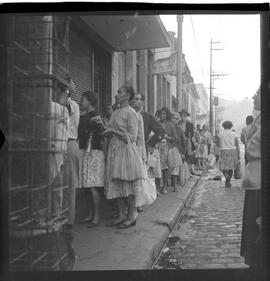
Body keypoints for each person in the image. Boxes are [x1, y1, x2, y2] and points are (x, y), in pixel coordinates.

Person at [104, 86, 144, 229]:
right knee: (116, 183)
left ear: (127, 96)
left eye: (120, 92)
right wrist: (105, 130)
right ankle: (121, 215)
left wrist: (113, 131)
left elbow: (132, 137)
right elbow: (110, 129)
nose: (117, 94)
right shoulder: (115, 112)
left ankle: (132, 215)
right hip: (114, 148)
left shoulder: (131, 113)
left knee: (126, 183)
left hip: (125, 150)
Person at [57, 76, 80, 264]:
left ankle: (69, 223)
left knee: (69, 187)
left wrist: (67, 90)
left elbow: (63, 108)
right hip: (57, 146)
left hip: (68, 144)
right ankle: (60, 221)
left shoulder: (71, 104)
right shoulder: (58, 101)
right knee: (58, 186)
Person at [241, 88, 261, 268]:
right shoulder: (259, 119)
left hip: (260, 182)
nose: (254, 96)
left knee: (257, 225)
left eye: (258, 93)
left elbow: (253, 149)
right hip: (255, 181)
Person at [78, 91, 105, 227]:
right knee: (86, 186)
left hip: (94, 152)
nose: (81, 102)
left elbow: (102, 134)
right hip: (84, 151)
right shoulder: (85, 117)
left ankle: (97, 216)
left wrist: (91, 125)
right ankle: (90, 213)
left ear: (89, 101)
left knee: (93, 186)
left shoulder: (96, 116)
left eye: (83, 100)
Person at [130, 93, 147, 212]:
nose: (135, 101)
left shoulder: (140, 117)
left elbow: (141, 137)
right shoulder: (129, 113)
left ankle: (138, 203)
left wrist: (143, 154)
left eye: (138, 99)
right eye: (134, 99)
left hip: (137, 149)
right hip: (126, 149)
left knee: (137, 178)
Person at [158, 107, 178, 194]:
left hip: (166, 147)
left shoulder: (170, 125)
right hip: (157, 146)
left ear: (167, 115)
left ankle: (165, 186)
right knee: (157, 167)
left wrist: (167, 137)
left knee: (165, 168)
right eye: (161, 113)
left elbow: (175, 138)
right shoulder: (157, 123)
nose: (163, 115)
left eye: (164, 114)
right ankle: (158, 187)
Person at [218, 121, 240, 187]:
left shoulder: (220, 134)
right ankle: (228, 180)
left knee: (223, 167)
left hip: (224, 151)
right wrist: (238, 154)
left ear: (223, 126)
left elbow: (218, 144)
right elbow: (237, 145)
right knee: (231, 167)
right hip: (233, 151)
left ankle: (226, 178)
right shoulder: (234, 134)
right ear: (231, 126)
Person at [171, 112, 185, 188]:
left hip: (177, 150)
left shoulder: (180, 129)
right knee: (168, 167)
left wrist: (183, 152)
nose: (175, 120)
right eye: (173, 118)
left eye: (176, 118)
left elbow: (183, 141)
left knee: (176, 168)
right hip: (168, 149)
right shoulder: (168, 127)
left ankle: (174, 185)